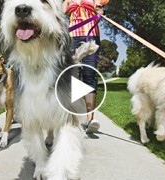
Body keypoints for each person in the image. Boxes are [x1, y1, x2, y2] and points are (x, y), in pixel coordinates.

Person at [62, 0, 104, 133]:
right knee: (69, 74)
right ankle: (67, 115)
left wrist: (99, 11)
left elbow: (100, 10)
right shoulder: (68, 0)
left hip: (91, 35)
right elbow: (60, 14)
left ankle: (90, 119)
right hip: (72, 38)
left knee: (89, 74)